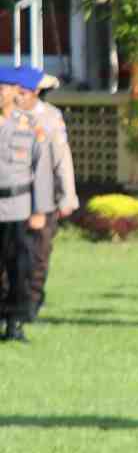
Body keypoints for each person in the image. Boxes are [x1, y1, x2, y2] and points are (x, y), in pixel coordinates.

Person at [16, 69, 78, 321]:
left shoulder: (51, 118)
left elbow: (61, 159)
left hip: (43, 198)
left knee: (39, 254)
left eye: (21, 92)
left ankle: (32, 303)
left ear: (35, 92)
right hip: (11, 198)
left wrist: (68, 196)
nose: (16, 97)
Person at [0, 66, 53, 343]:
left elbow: (41, 171)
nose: (0, 93)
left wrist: (39, 209)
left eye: (4, 88)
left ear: (14, 92)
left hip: (19, 206)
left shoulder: (30, 127)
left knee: (19, 267)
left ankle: (14, 323)